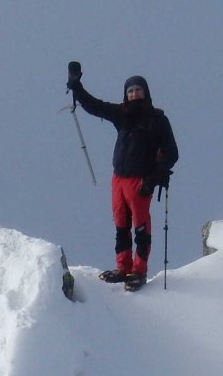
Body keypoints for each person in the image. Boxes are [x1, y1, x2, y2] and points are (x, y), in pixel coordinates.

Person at [66, 67, 179, 289]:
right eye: (130, 91)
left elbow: (172, 153)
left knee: (140, 227)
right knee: (121, 225)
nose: (134, 94)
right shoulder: (122, 114)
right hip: (118, 179)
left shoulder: (158, 120)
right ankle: (123, 268)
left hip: (140, 181)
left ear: (146, 92)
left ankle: (139, 270)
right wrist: (76, 86)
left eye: (138, 90)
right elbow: (94, 106)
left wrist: (152, 180)